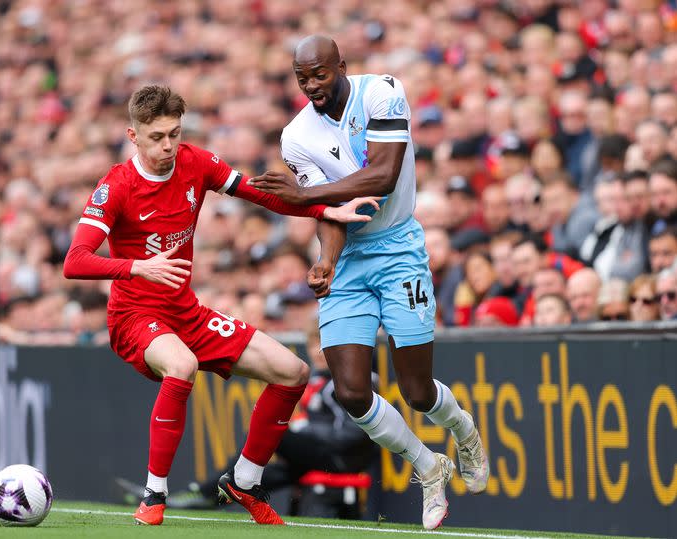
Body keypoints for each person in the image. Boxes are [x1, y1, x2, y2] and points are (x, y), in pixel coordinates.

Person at [62, 85, 377, 526]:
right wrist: (137, 268)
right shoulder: (116, 186)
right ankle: (154, 495)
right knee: (183, 365)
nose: (168, 146)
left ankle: (244, 481)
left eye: (174, 133)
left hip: (184, 312)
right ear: (133, 136)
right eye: (156, 137)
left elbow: (259, 193)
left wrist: (323, 211)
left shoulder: (196, 161)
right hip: (135, 316)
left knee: (293, 372)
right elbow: (75, 262)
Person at [248, 36, 489, 530]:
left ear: (341, 66)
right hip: (351, 260)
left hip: (400, 250)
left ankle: (462, 429)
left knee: (417, 391)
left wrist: (303, 194)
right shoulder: (296, 137)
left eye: (319, 74)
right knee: (353, 392)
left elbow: (382, 175)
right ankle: (428, 466)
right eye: (302, 78)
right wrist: (327, 260)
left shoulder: (382, 92)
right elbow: (330, 213)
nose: (312, 85)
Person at [165, 320, 376, 517]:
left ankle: (206, 493)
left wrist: (305, 430)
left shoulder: (350, 384)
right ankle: (210, 494)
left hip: (342, 458)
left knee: (272, 432)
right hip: (325, 454)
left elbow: (355, 433)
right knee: (270, 471)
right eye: (313, 344)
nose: (318, 351)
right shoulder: (321, 379)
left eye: (324, 343)